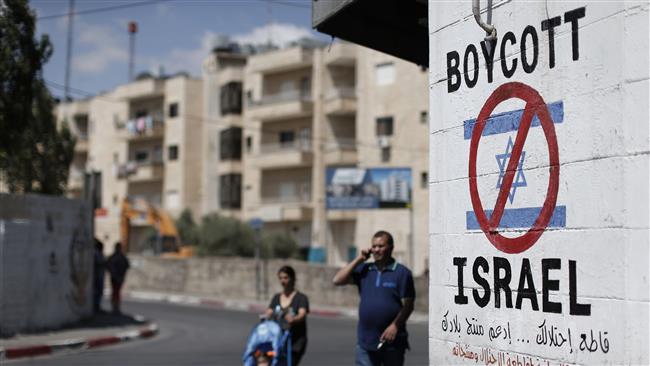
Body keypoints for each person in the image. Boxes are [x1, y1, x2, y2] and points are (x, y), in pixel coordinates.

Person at [333, 231, 415, 366]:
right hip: (365, 343)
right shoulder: (365, 269)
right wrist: (359, 259)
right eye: (374, 246)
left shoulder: (402, 273)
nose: (377, 249)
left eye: (381, 246)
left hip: (392, 343)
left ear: (391, 248)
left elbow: (409, 305)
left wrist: (395, 326)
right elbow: (337, 280)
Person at [265, 266, 309, 366]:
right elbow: (269, 311)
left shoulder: (301, 298)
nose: (283, 281)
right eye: (280, 278)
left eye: (285, 278)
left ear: (292, 278)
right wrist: (266, 317)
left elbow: (302, 314)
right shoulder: (276, 297)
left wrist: (294, 319)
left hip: (295, 342)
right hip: (278, 341)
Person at [106, 242, 130, 314]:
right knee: (115, 292)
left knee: (116, 292)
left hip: (118, 277)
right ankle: (115, 307)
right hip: (115, 277)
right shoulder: (118, 257)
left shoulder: (120, 257)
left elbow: (126, 266)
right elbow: (108, 266)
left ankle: (116, 307)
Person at [93, 238, 106, 314]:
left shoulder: (100, 254)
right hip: (97, 276)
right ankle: (96, 306)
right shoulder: (96, 253)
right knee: (96, 292)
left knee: (99, 292)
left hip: (100, 275)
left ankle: (97, 306)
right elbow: (98, 263)